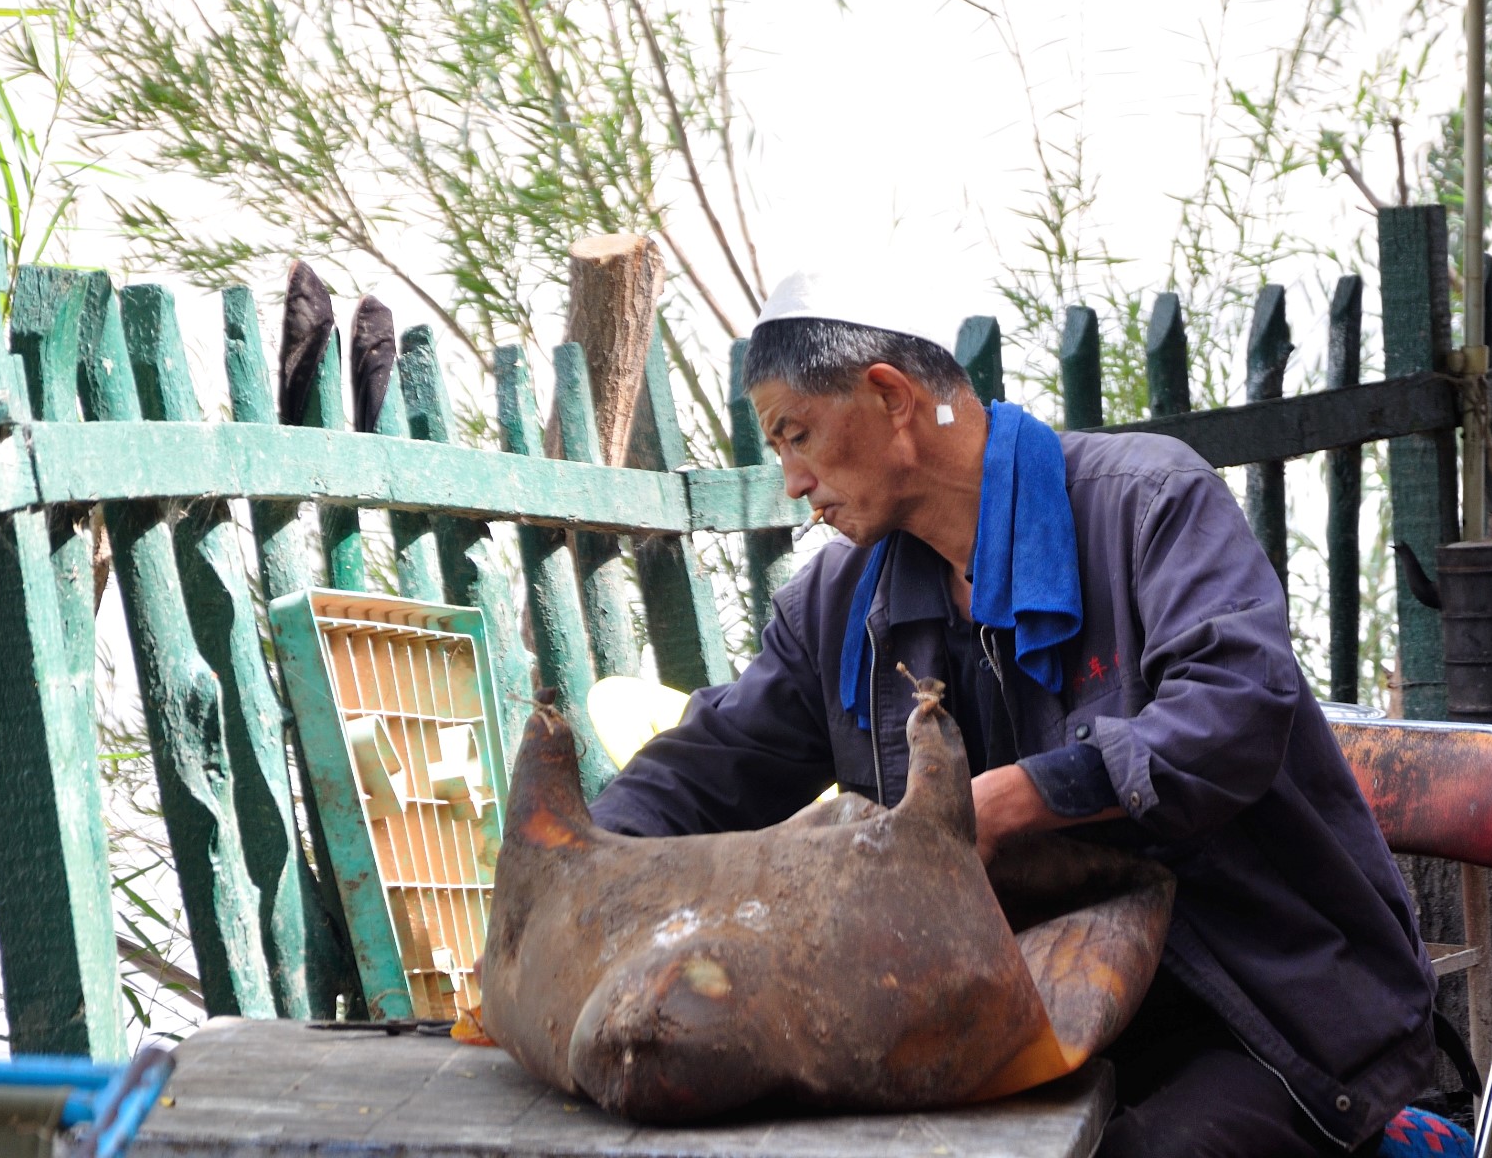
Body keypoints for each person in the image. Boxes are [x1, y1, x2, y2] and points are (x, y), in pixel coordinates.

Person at [590, 269, 1437, 1158]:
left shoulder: (1148, 501)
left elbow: (1235, 710)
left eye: (795, 436)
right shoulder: (836, 607)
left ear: (891, 397)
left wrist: (1019, 798)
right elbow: (714, 763)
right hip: (1021, 1008)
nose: (793, 482)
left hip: (1257, 1003)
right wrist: (579, 856)